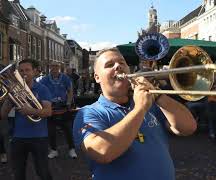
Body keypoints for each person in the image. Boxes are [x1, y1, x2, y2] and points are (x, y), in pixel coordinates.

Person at [73, 47, 197, 180]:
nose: (118, 66)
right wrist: (140, 109)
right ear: (97, 77)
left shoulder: (150, 102)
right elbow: (101, 152)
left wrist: (158, 95)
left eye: (122, 63)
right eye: (110, 65)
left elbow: (188, 127)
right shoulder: (89, 113)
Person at [1, 59, 52, 180]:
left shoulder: (42, 89)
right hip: (18, 137)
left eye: (27, 70)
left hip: (39, 137)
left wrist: (31, 111)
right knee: (18, 174)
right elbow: (2, 115)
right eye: (21, 70)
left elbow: (48, 112)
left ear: (35, 71)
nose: (24, 73)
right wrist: (9, 97)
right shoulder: (15, 90)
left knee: (43, 172)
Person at [39, 62, 77, 159]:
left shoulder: (65, 78)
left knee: (68, 129)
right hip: (50, 107)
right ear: (49, 68)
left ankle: (71, 149)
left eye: (56, 66)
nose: (54, 68)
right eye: (52, 66)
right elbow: (40, 90)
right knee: (51, 130)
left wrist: (69, 102)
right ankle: (53, 150)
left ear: (59, 68)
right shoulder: (45, 79)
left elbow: (70, 91)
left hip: (63, 106)